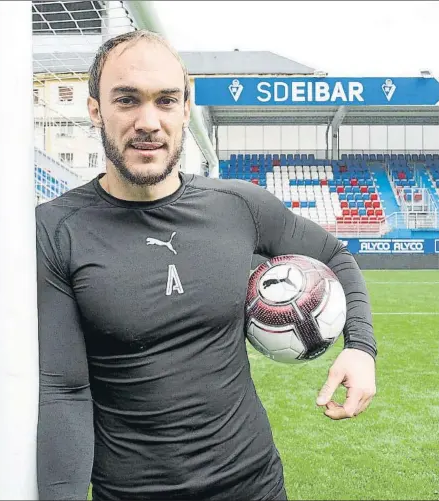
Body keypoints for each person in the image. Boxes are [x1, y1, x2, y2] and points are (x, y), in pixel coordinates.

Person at [35, 30, 377, 501]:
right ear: (96, 109)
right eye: (127, 100)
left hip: (255, 484)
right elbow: (62, 392)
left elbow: (336, 256)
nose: (148, 121)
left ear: (184, 106)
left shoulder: (239, 205)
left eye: (166, 100)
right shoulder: (57, 230)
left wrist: (360, 347)